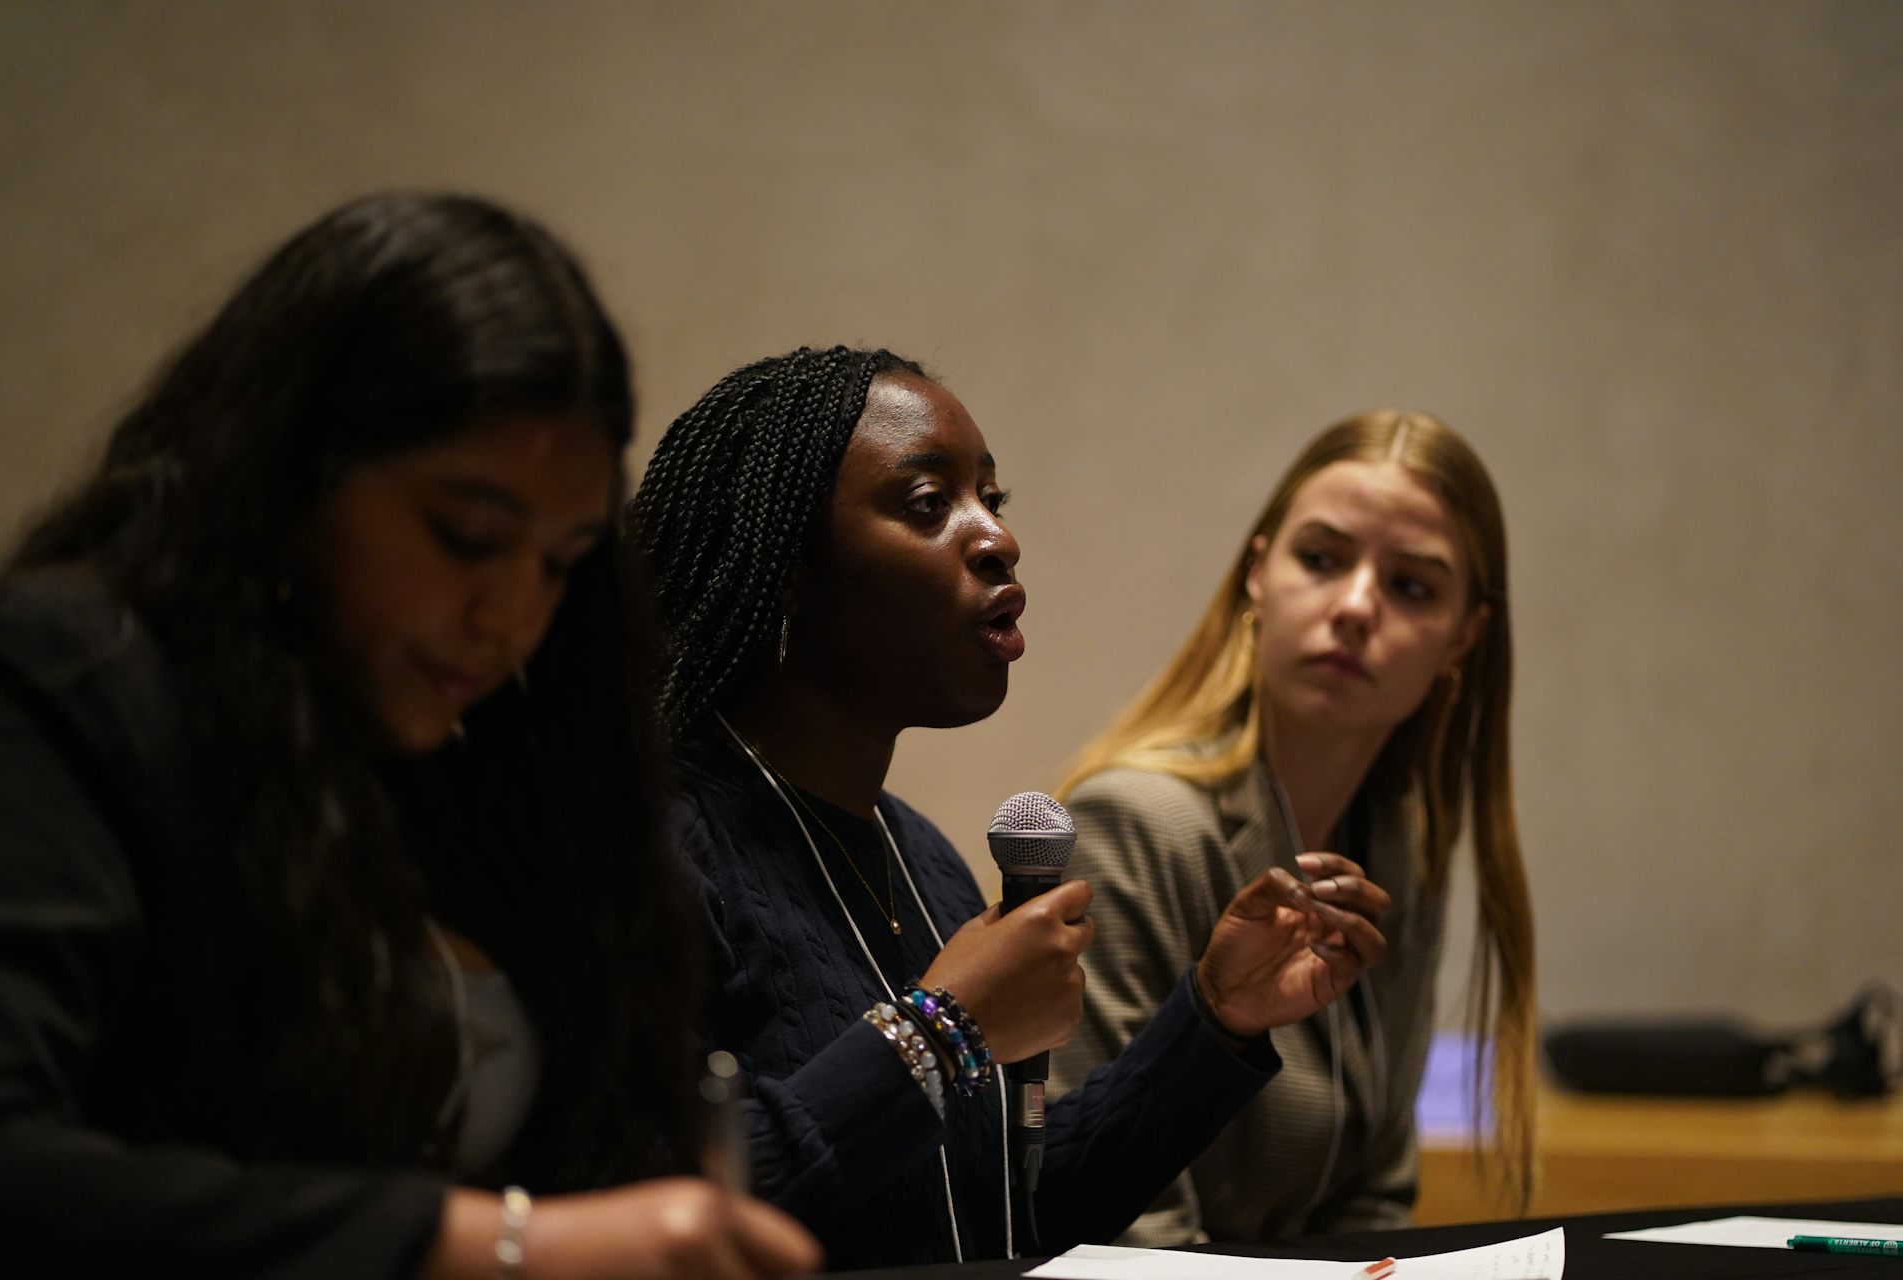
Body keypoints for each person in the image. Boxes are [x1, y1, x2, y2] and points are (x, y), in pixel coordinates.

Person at [0, 193, 819, 1278]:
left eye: (560, 562)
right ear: (289, 473)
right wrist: (503, 1247)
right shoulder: (69, 681)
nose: (510, 615)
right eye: (466, 536)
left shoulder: (484, 754)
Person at [627, 345, 1392, 1270]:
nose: (996, 537)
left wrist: (1216, 1018)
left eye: (992, 499)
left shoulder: (922, 858)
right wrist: (941, 1029)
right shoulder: (646, 850)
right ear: (785, 563)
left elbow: (1008, 1212)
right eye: (929, 504)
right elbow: (666, 1214)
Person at [1049, 410, 1535, 1244]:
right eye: (1321, 560)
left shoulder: (1405, 847)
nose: (1356, 606)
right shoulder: (1132, 826)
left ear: (1464, 635)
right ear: (1258, 573)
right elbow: (1121, 1232)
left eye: (1411, 587)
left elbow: (1376, 1196)